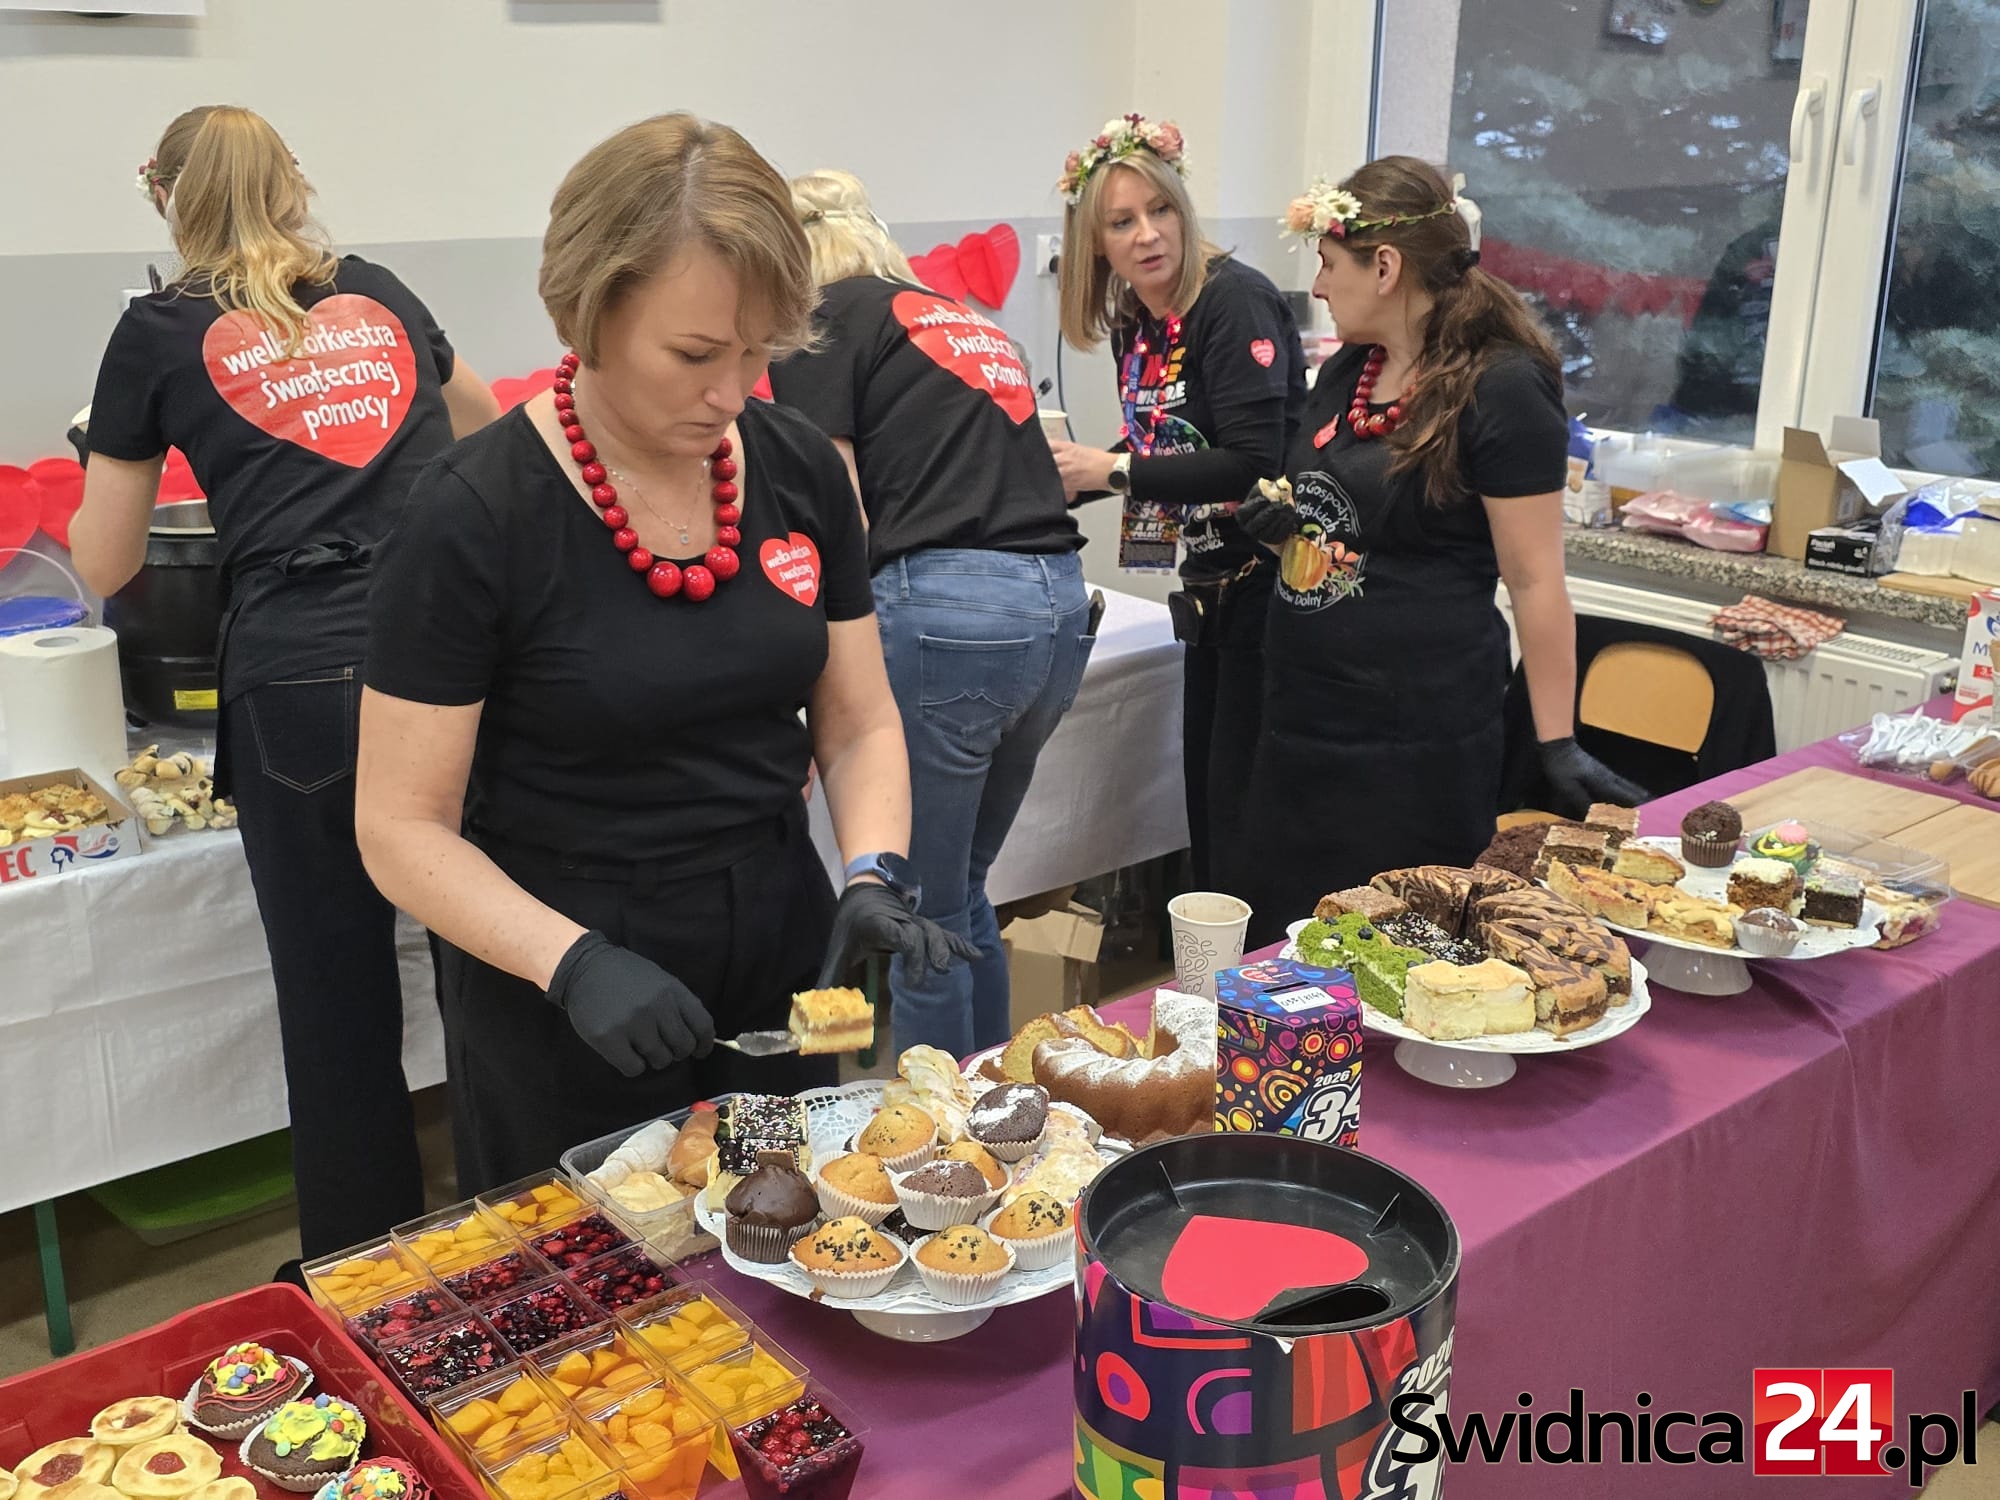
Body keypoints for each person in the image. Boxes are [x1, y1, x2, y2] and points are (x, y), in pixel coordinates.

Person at [353, 116, 970, 1192]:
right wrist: (570, 962)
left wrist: (873, 871)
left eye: (758, 353)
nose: (731, 393)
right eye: (694, 355)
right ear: (588, 312)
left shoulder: (797, 471)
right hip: (562, 958)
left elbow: (859, 719)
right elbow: (399, 825)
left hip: (773, 928)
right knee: (600, 1265)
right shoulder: (472, 514)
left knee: (778, 1224)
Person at [70, 105, 503, 1258]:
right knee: (489, 966)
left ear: (163, 196)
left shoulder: (157, 329)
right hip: (451, 661)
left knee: (333, 1000)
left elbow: (104, 563)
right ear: (293, 185)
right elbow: (491, 435)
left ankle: (367, 1275)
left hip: (299, 684)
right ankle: (521, 1242)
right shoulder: (381, 293)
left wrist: (119, 440)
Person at [1234, 157, 1642, 947]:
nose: (1319, 285)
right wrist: (1283, 525)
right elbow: (1349, 516)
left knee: (1395, 956)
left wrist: (1554, 740)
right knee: (1291, 952)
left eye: (1329, 263)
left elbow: (1534, 579)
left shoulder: (1503, 387)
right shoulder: (1352, 367)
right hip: (1303, 719)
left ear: (1385, 267)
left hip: (1412, 741)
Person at [767, 170, 1092, 1059]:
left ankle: (941, 1127)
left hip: (951, 615)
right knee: (963, 893)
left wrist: (804, 675)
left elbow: (836, 512)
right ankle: (998, 1105)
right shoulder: (958, 318)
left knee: (920, 915)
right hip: (1057, 607)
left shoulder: (821, 321)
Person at [1047, 115, 1305, 896]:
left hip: (1268, 583)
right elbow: (1161, 444)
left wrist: (1112, 470)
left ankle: (1253, 962)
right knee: (1207, 804)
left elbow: (1252, 461)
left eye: (1160, 210)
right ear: (1096, 242)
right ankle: (1206, 959)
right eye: (1122, 222)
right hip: (1206, 582)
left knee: (1243, 810)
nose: (1148, 235)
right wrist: (1071, 479)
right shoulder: (1137, 321)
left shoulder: (1235, 302)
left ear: (1183, 207)